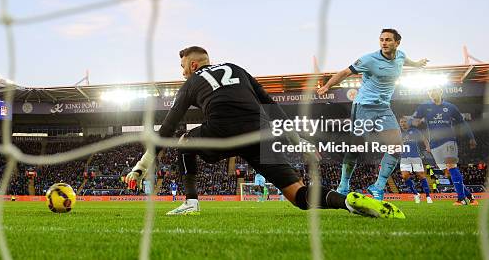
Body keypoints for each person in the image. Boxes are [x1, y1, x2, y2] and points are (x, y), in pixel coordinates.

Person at [126, 46, 405, 218]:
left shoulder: (192, 82)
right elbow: (269, 104)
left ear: (194, 65)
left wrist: (142, 165)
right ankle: (350, 203)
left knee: (185, 141)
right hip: (261, 132)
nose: (183, 72)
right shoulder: (237, 68)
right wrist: (300, 142)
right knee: (299, 196)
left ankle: (190, 203)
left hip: (222, 128)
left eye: (183, 66)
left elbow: (170, 124)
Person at [317, 28, 428, 200]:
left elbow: (406, 61)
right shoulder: (369, 59)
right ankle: (344, 184)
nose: (384, 43)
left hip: (383, 108)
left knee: (396, 146)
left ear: (397, 43)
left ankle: (378, 187)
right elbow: (345, 72)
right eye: (382, 39)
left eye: (388, 40)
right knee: (356, 147)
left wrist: (417, 64)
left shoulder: (400, 55)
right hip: (364, 107)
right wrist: (327, 86)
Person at [411, 86, 478, 206]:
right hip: (434, 145)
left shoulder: (450, 107)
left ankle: (461, 199)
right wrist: (415, 122)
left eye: (434, 90)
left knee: (451, 166)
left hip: (449, 141)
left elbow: (462, 123)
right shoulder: (424, 107)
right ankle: (470, 196)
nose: (432, 92)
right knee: (447, 173)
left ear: (441, 91)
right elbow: (414, 121)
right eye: (430, 90)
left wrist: (471, 137)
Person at [398, 116, 432, 204]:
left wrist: (427, 147)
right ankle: (416, 194)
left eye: (404, 121)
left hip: (415, 156)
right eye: (401, 122)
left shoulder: (415, 131)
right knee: (405, 176)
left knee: (421, 175)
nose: (402, 123)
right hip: (404, 157)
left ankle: (428, 196)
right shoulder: (398, 133)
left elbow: (424, 139)